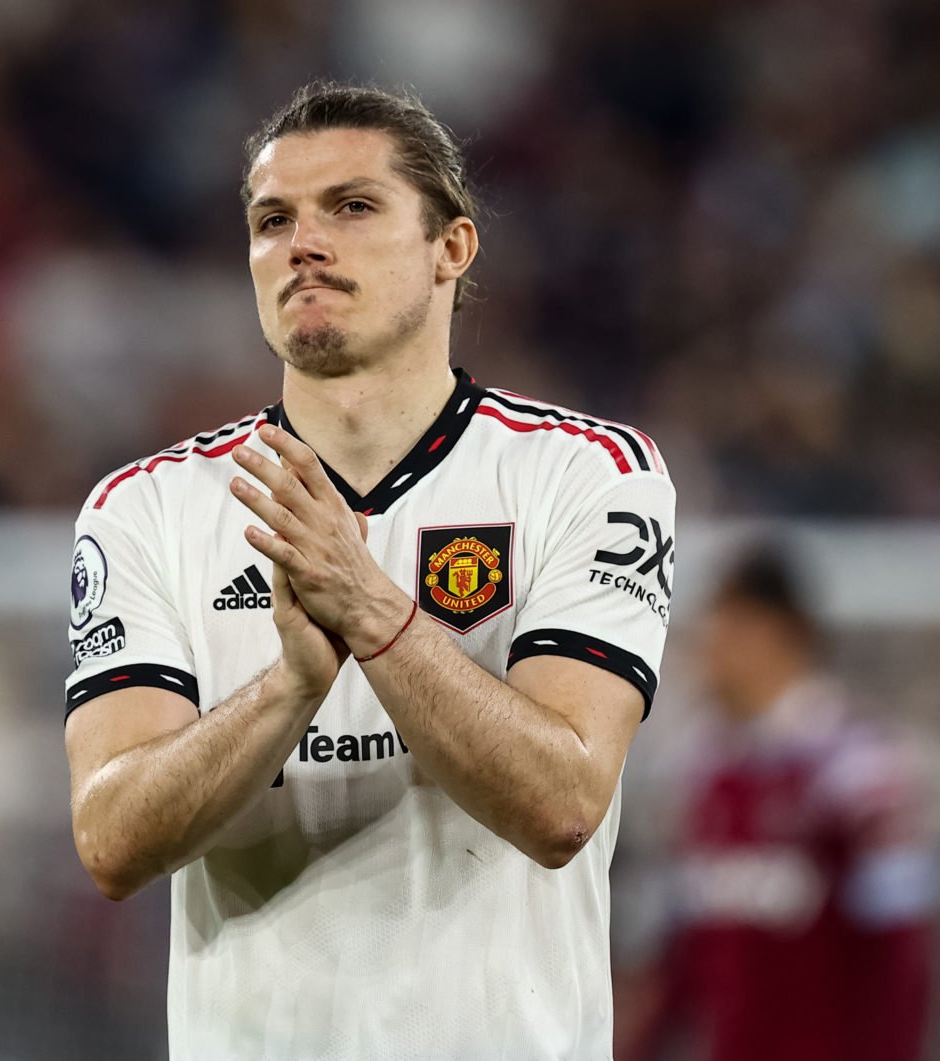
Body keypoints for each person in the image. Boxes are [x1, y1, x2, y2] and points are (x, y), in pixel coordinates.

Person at [62, 81, 678, 1058]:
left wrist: (373, 612)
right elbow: (112, 841)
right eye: (273, 220)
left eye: (352, 206)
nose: (304, 242)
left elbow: (563, 801)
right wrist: (289, 688)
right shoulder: (147, 507)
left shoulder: (585, 474)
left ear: (452, 249)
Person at [620, 551, 934, 1061]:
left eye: (730, 629)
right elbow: (687, 954)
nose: (711, 650)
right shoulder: (700, 767)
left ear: (784, 635)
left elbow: (900, 950)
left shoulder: (860, 770)